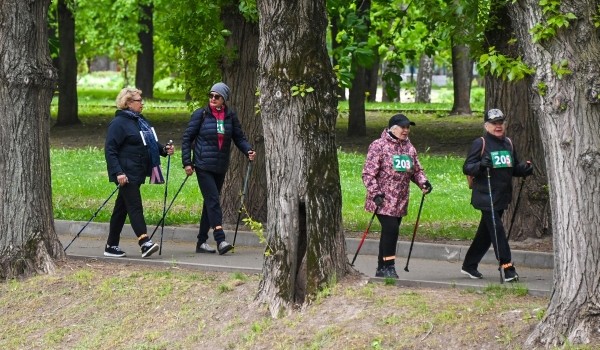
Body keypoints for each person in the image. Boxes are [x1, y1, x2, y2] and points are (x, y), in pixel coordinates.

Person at [181, 82, 256, 255]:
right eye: (211, 95)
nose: (213, 99)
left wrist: (248, 150)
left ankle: (201, 242)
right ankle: (220, 239)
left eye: (217, 96)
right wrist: (187, 162)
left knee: (210, 203)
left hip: (220, 166)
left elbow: (239, 137)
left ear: (224, 99)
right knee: (214, 200)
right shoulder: (201, 114)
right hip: (203, 164)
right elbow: (187, 139)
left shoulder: (230, 116)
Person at [461, 108, 533, 282]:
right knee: (497, 230)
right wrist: (480, 165)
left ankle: (469, 265)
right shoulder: (480, 143)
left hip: (501, 196)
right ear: (487, 126)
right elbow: (467, 168)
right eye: (494, 123)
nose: (498, 126)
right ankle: (507, 267)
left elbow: (512, 168)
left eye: (500, 122)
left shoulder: (508, 143)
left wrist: (523, 169)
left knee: (486, 234)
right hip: (486, 197)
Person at [104, 87, 174, 258]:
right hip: (126, 173)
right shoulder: (119, 123)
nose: (142, 103)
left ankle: (111, 246)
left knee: (121, 209)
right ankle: (144, 243)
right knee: (135, 206)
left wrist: (164, 150)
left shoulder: (140, 121)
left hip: (137, 171)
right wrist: (118, 172)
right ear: (128, 103)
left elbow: (150, 142)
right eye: (139, 100)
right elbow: (110, 150)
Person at [362, 114, 432, 278]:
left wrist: (424, 183)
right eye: (403, 127)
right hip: (383, 200)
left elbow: (417, 171)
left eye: (408, 127)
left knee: (389, 232)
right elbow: (368, 174)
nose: (406, 130)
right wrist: (375, 193)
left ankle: (381, 268)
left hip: (400, 200)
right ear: (393, 128)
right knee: (391, 230)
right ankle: (389, 266)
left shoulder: (409, 148)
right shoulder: (379, 145)